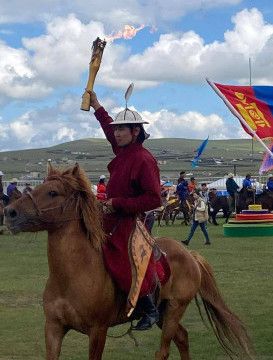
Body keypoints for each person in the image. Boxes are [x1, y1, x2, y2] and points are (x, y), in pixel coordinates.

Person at [88, 89, 162, 331]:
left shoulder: (144, 159)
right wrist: (97, 106)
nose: (116, 133)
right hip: (109, 218)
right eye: (117, 129)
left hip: (130, 222)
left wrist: (117, 203)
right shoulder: (122, 149)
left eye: (122, 129)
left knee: (122, 261)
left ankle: (148, 308)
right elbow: (109, 129)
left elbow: (154, 199)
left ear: (136, 131)